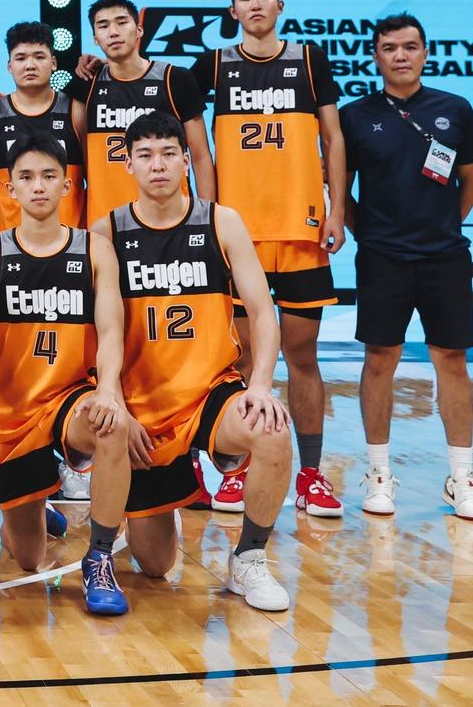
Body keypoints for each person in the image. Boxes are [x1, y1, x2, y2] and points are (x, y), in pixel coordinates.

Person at [105, 111, 294, 611]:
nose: (158, 165)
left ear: (186, 161)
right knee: (156, 565)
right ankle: (154, 505)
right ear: (128, 164)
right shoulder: (107, 231)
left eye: (169, 153)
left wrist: (260, 384)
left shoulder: (220, 221)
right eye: (145, 155)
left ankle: (248, 558)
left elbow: (262, 311)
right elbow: (97, 333)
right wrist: (116, 404)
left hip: (212, 392)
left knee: (272, 429)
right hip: (143, 408)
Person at [190, 0, 347, 519]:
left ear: (281, 5)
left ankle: (310, 476)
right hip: (239, 237)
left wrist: (337, 210)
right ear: (232, 11)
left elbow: (333, 138)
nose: (254, 4)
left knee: (302, 356)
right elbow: (152, 92)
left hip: (301, 232)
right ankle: (239, 472)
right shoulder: (213, 64)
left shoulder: (309, 59)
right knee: (243, 360)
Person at [0, 133, 134, 616]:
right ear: (9, 189)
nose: (38, 186)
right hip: (12, 411)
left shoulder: (95, 250)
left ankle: (99, 557)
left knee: (112, 426)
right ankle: (37, 508)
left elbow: (111, 328)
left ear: (66, 185)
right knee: (27, 555)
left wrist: (109, 390)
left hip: (72, 396)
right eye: (26, 177)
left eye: (48, 176)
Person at [338, 13, 473, 522]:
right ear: (375, 56)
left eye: (409, 46)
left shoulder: (456, 108)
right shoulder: (354, 116)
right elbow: (341, 191)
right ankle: (379, 475)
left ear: (425, 52)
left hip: (445, 257)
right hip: (382, 257)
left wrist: (438, 227)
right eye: (389, 48)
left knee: (452, 360)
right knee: (380, 359)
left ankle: (462, 478)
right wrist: (372, 235)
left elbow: (471, 184)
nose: (400, 55)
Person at [70, 0, 213, 226]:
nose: (113, 32)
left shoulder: (175, 79)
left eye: (121, 22)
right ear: (95, 39)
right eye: (103, 26)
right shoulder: (86, 83)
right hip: (106, 220)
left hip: (171, 220)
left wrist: (208, 219)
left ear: (139, 30)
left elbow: (201, 155)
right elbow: (81, 154)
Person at [0, 22, 86, 232]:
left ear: (53, 63)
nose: (30, 65)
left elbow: (94, 180)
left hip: (72, 241)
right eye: (21, 58)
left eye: (39, 57)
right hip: (9, 242)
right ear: (9, 66)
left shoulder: (76, 112)